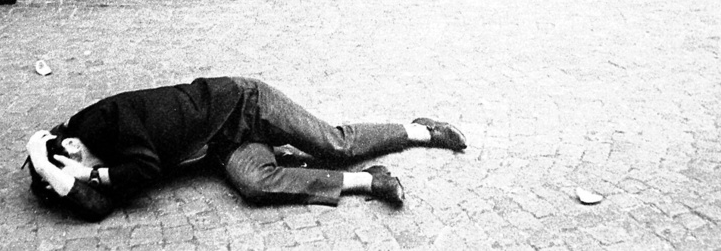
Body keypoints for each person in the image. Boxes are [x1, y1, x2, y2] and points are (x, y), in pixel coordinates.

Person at [24, 76, 467, 221]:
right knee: (255, 183)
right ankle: (371, 181)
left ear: (73, 146)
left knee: (334, 142)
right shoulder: (89, 151)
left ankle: (420, 130)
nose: (88, 170)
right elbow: (98, 206)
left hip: (245, 104)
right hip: (220, 143)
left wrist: (83, 174)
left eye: (76, 163)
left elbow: (144, 170)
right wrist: (60, 176)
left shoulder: (102, 123)